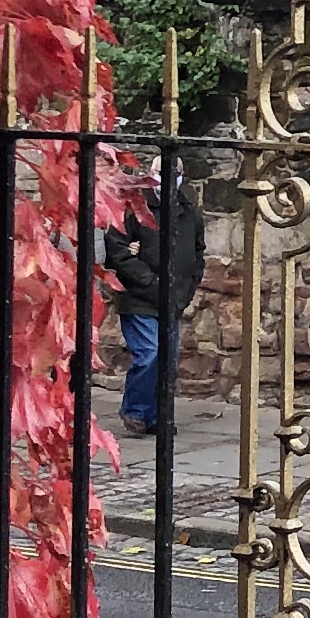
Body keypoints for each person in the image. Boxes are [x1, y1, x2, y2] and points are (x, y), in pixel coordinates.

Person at [105, 168, 207, 436]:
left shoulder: (188, 208)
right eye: (163, 171)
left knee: (168, 359)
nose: (171, 176)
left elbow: (198, 252)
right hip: (140, 297)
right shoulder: (136, 204)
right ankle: (136, 410)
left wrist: (187, 288)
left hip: (172, 298)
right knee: (149, 353)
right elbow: (118, 250)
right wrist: (152, 283)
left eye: (177, 172)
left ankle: (156, 416)